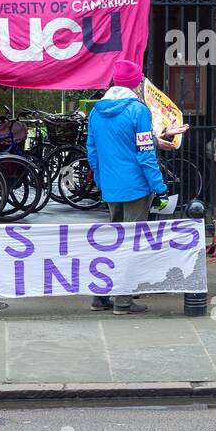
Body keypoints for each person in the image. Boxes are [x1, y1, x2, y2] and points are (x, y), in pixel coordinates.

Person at [85, 58, 169, 315]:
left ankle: (100, 296)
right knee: (131, 243)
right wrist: (160, 186)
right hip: (136, 187)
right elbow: (144, 154)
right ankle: (122, 301)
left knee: (112, 240)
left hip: (111, 186)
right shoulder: (139, 111)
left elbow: (92, 151)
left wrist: (101, 180)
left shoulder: (96, 111)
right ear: (135, 85)